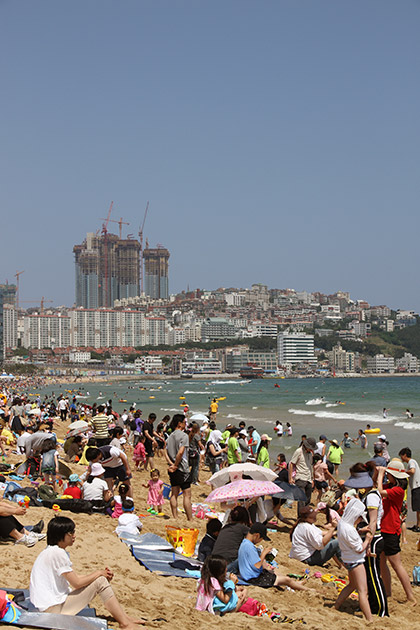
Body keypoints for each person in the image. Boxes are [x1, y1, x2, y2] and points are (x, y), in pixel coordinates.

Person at [29, 516, 143, 629]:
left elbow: (74, 577)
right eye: (71, 533)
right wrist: (99, 573)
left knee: (99, 580)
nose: (74, 536)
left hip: (49, 607)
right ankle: (125, 623)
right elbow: (77, 583)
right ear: (61, 535)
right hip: (53, 611)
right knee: (101, 581)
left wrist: (99, 575)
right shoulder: (57, 553)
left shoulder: (51, 551)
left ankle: (124, 617)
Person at [344, 463, 388, 617]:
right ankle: (374, 606)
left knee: (374, 575)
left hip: (374, 539)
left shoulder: (371, 497)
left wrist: (368, 540)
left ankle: (382, 610)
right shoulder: (370, 493)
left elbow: (373, 522)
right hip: (371, 537)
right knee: (370, 575)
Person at [377, 462, 416, 605]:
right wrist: (378, 473)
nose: (386, 475)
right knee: (382, 562)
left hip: (391, 530)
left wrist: (381, 474)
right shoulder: (390, 486)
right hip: (383, 528)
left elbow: (380, 492)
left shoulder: (399, 490)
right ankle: (387, 592)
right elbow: (377, 488)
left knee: (396, 564)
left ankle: (410, 596)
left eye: (388, 474)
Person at [238, 523, 313, 591]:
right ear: (257, 535)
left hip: (249, 576)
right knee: (286, 579)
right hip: (253, 579)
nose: (260, 541)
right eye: (261, 539)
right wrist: (264, 553)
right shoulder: (249, 547)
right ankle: (309, 589)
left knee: (274, 573)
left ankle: (295, 584)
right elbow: (257, 566)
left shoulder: (245, 543)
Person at [335, 498, 373, 622]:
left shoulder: (342, 523)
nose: (361, 520)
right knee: (363, 591)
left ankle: (336, 606)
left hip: (347, 559)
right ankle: (369, 619)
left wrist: (360, 531)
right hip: (356, 561)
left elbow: (349, 537)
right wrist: (367, 539)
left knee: (351, 585)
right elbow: (359, 549)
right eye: (360, 517)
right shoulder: (350, 529)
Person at [165, 414, 192, 520]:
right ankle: (190, 519)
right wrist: (176, 465)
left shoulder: (170, 436)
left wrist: (171, 464)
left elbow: (165, 452)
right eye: (185, 422)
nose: (186, 424)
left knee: (174, 493)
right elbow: (181, 452)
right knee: (187, 495)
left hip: (172, 468)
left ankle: (175, 517)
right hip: (182, 468)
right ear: (180, 423)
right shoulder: (184, 436)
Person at [212, 506, 250, 573]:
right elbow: (253, 537)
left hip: (213, 562)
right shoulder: (242, 528)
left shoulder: (225, 528)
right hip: (227, 564)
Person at [289, 437, 316, 511]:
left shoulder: (310, 454)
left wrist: (312, 479)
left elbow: (310, 466)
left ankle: (305, 517)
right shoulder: (298, 451)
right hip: (300, 478)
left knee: (308, 499)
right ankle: (300, 517)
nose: (311, 449)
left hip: (308, 479)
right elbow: (291, 463)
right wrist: (290, 478)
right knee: (301, 500)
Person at [399, 447, 420, 532]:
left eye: (401, 456)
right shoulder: (412, 462)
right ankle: (417, 524)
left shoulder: (411, 462)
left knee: (418, 509)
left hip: (417, 487)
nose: (401, 458)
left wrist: (403, 471)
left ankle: (418, 526)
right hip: (416, 487)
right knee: (417, 509)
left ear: (404, 455)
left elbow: (412, 471)